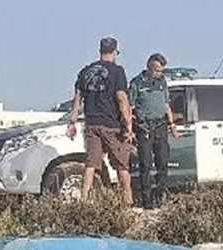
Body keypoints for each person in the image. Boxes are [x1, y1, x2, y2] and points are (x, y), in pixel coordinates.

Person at [67, 37, 134, 205]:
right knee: (121, 165)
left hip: (91, 123)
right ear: (114, 52)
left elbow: (77, 99)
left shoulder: (85, 72)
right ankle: (127, 200)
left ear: (100, 51)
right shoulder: (117, 72)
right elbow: (121, 98)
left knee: (91, 164)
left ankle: (84, 198)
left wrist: (72, 122)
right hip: (111, 124)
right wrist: (128, 126)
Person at [129, 53, 179, 209]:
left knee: (163, 162)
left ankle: (159, 195)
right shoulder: (137, 83)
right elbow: (129, 108)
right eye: (156, 70)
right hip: (144, 126)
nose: (159, 74)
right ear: (149, 67)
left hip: (160, 126)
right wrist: (129, 129)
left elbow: (166, 105)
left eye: (161, 71)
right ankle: (146, 199)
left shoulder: (162, 82)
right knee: (145, 164)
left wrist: (172, 125)